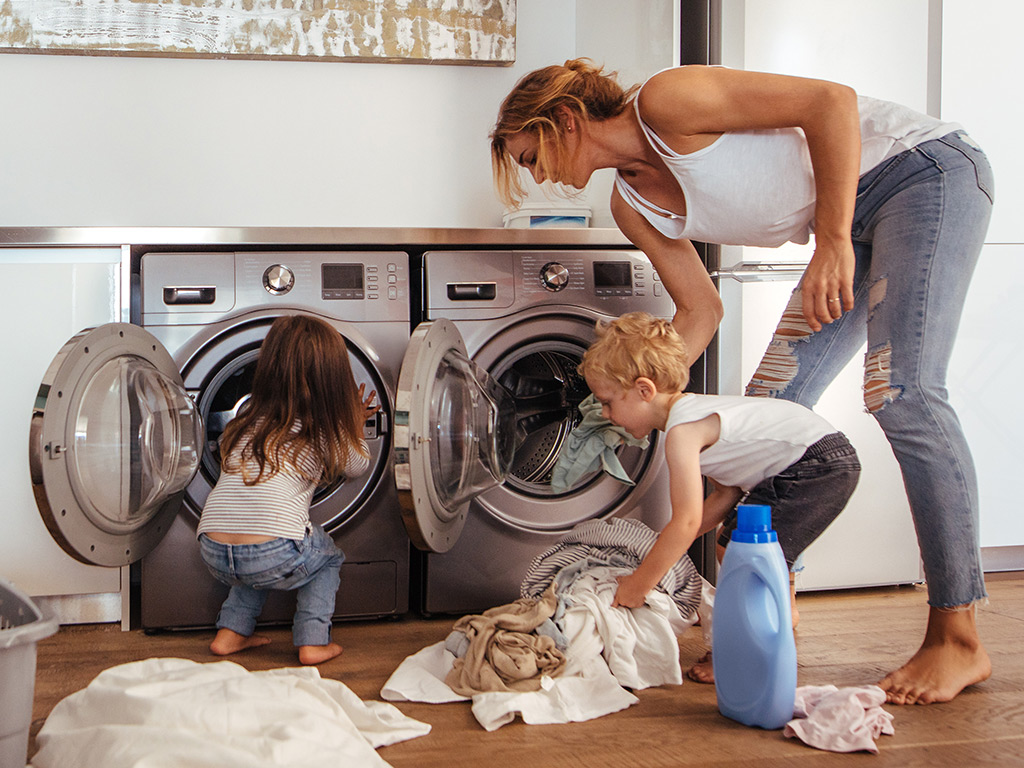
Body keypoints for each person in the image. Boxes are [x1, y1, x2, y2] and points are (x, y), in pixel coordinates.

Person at [490, 59, 994, 705]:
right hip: (854, 221)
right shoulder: (630, 204)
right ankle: (770, 604)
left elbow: (831, 102)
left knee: (903, 394)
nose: (537, 176)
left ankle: (958, 634)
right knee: (761, 418)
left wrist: (833, 241)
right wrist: (631, 394)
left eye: (532, 156)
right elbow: (701, 313)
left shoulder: (667, 101)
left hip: (921, 175)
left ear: (564, 119)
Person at [580, 311, 859, 683]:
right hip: (817, 459)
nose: (604, 413)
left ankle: (744, 650)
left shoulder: (683, 432)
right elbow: (726, 495)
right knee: (739, 546)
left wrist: (639, 584)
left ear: (644, 391)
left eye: (608, 401)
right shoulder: (692, 416)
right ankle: (771, 627)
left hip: (814, 463)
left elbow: (687, 521)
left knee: (739, 549)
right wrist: (666, 545)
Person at [197, 314, 379, 665]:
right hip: (273, 551)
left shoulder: (248, 415)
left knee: (254, 544)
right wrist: (353, 425)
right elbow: (357, 466)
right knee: (327, 559)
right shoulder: (324, 427)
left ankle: (229, 634)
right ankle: (313, 641)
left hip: (211, 548)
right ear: (334, 379)